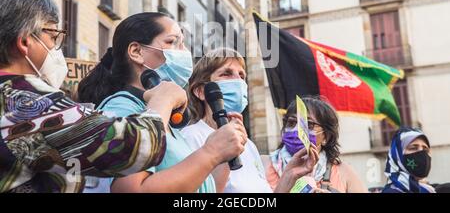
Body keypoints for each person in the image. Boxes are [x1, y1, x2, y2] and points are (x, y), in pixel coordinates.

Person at [0, 0, 178, 193]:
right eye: (53, 36)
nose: (56, 48)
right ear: (25, 41)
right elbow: (131, 148)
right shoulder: (26, 101)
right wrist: (163, 100)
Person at [78, 13, 246, 193]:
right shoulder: (121, 109)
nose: (184, 52)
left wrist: (225, 151)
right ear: (136, 52)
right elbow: (131, 190)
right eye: (173, 42)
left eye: (183, 43)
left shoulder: (162, 117)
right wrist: (211, 153)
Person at [182, 48, 319, 193]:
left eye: (241, 76)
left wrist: (290, 175)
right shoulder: (190, 137)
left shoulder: (249, 145)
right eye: (226, 74)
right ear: (201, 91)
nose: (237, 81)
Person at [266, 97, 367, 193]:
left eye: (308, 125)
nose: (296, 130)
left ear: (326, 137)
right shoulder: (263, 165)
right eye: (291, 123)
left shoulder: (344, 173)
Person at [382, 127, 435, 193]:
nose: (422, 153)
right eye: (413, 148)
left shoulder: (426, 190)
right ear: (397, 155)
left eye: (425, 150)